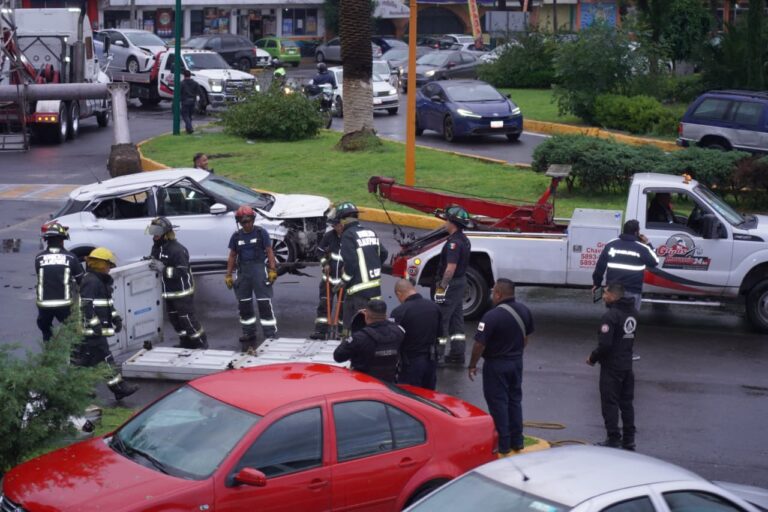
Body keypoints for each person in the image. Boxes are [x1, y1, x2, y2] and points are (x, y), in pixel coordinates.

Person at [468, 278, 533, 457]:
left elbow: (479, 344)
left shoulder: (491, 316)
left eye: (493, 292)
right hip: (516, 363)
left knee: (498, 404)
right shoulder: (524, 311)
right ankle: (517, 441)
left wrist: (472, 365)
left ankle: (503, 444)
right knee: (514, 401)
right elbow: (525, 339)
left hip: (496, 366)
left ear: (498, 294)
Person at [77, 247, 138, 401]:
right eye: (108, 265)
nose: (110, 268)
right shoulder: (91, 281)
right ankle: (119, 388)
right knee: (105, 359)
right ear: (100, 264)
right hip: (92, 332)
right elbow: (86, 305)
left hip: (95, 331)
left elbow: (107, 304)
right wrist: (95, 324)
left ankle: (80, 389)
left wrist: (115, 318)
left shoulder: (100, 281)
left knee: (84, 361)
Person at [586, 282, 637, 451]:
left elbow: (605, 345)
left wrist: (592, 358)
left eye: (606, 293)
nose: (604, 296)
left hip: (612, 367)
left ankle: (613, 438)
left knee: (610, 403)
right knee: (627, 404)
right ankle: (629, 440)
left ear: (614, 296)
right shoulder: (633, 313)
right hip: (627, 365)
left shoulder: (611, 316)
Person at [147, 217, 207, 349]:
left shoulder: (178, 250)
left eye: (157, 232)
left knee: (186, 319)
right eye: (153, 232)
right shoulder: (157, 248)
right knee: (175, 320)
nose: (154, 235)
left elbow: (181, 272)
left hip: (182, 292)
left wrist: (163, 269)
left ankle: (201, 344)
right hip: (168, 293)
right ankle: (186, 342)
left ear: (166, 233)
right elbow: (156, 261)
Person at [225, 205, 279, 348]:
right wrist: (228, 275)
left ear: (253, 220)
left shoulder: (261, 233)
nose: (247, 224)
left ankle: (270, 333)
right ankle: (249, 332)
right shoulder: (236, 236)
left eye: (249, 221)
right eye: (244, 222)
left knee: (264, 303)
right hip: (243, 273)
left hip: (259, 270)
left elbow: (269, 251)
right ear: (239, 222)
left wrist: (273, 269)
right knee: (244, 304)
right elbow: (232, 256)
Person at [333, 202, 388, 336]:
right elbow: (384, 253)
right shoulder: (370, 232)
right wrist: (373, 266)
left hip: (358, 291)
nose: (337, 227)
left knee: (356, 326)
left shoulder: (348, 235)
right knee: (374, 323)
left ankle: (349, 348)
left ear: (343, 220)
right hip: (374, 288)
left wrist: (343, 281)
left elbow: (350, 263)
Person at [434, 205, 473, 366]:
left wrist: (441, 288)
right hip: (460, 283)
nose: (445, 222)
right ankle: (457, 354)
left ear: (452, 223)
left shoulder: (454, 243)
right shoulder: (464, 239)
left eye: (447, 219)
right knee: (456, 319)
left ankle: (438, 356)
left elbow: (450, 268)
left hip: (451, 284)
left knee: (441, 319)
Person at [592, 219, 659, 312]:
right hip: (633, 290)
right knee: (630, 318)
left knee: (612, 316)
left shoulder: (611, 244)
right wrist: (648, 244)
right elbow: (654, 262)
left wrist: (597, 283)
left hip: (613, 289)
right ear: (637, 232)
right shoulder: (642, 248)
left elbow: (600, 266)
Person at [333, 299, 404, 382]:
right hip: (388, 385)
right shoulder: (398, 332)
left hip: (363, 384)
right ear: (385, 315)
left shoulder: (360, 337)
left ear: (366, 316)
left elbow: (338, 356)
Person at [34, 222, 84, 341]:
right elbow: (81, 280)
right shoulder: (71, 257)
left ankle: (50, 350)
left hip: (43, 304)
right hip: (64, 304)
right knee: (72, 332)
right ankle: (72, 354)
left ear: (47, 240)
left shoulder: (38, 258)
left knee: (46, 331)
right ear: (62, 240)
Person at [391, 279, 442, 390]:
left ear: (399, 293)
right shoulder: (434, 307)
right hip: (431, 360)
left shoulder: (399, 311)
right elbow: (440, 333)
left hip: (411, 363)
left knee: (410, 397)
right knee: (429, 396)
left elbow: (393, 339)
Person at [309, 218, 345, 339]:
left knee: (343, 307)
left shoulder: (350, 237)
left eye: (338, 225)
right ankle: (321, 331)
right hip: (328, 279)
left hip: (343, 280)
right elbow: (319, 252)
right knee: (324, 305)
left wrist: (347, 267)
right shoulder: (329, 236)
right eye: (335, 226)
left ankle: (341, 332)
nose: (336, 228)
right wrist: (325, 264)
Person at [180, 68, 200, 135]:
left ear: (184, 75)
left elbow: (179, 92)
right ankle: (188, 130)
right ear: (190, 75)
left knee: (185, 115)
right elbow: (199, 92)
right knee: (189, 116)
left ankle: (190, 128)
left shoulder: (182, 83)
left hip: (185, 101)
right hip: (193, 101)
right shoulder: (195, 83)